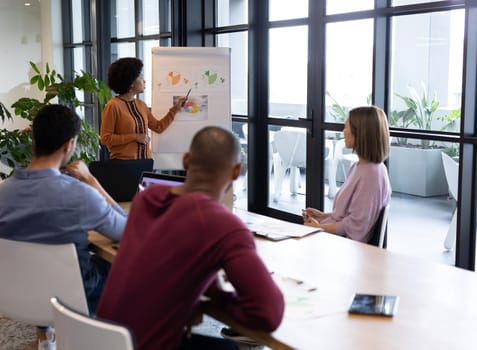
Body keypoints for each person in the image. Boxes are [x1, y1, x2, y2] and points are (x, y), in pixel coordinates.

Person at [97, 126, 284, 350]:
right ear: (236, 172)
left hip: (105, 340)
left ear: (186, 160)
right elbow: (268, 314)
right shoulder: (224, 225)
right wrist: (217, 298)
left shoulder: (146, 200)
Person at [0, 104, 128, 348]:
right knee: (122, 267)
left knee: (41, 250)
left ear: (34, 139)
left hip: (20, 289)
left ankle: (46, 333)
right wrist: (91, 180)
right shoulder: (80, 194)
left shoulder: (1, 193)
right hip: (76, 294)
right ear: (69, 145)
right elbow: (128, 232)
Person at [303, 105, 391, 242]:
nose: (343, 131)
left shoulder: (371, 175)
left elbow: (356, 227)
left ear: (360, 133)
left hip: (346, 248)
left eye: (346, 127)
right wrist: (322, 217)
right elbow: (352, 215)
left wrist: (319, 228)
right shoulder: (359, 167)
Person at [100, 57, 187, 160]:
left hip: (145, 162)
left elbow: (158, 127)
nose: (144, 81)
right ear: (131, 82)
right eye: (140, 77)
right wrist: (135, 137)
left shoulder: (141, 105)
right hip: (123, 165)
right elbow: (105, 139)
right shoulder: (113, 106)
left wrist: (175, 108)